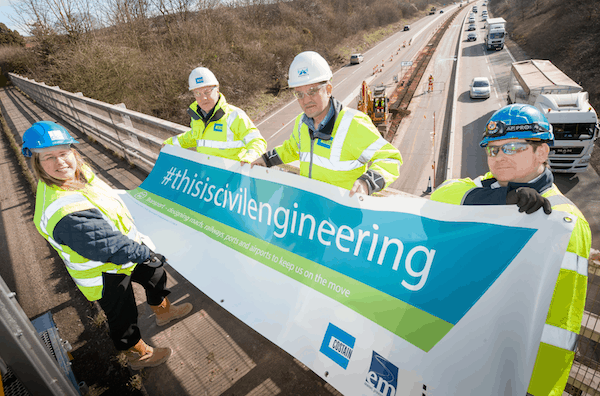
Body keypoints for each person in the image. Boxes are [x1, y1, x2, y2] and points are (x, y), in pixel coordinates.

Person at [431, 104, 591, 396]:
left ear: (541, 152)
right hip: (467, 359)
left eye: (513, 147)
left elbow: (560, 324)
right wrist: (502, 198)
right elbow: (437, 198)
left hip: (516, 376)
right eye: (493, 150)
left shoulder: (564, 221)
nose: (500, 157)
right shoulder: (486, 189)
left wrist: (539, 390)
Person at [24, 121, 193, 370]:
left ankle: (163, 311)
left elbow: (109, 199)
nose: (60, 162)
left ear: (73, 151)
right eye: (48, 157)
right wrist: (146, 253)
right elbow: (106, 245)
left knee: (155, 275)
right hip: (103, 272)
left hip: (127, 250)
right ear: (37, 163)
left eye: (63, 153)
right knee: (122, 315)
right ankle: (138, 354)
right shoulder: (61, 210)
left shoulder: (81, 172)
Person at [250, 51, 403, 197]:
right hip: (311, 211)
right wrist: (265, 159)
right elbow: (291, 148)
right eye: (299, 94)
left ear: (328, 89)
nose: (306, 100)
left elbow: (390, 159)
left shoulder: (353, 124)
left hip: (341, 218)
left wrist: (367, 183)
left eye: (312, 91)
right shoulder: (301, 123)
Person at [163, 67, 267, 163]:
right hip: (208, 176)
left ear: (217, 89)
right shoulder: (197, 118)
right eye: (198, 93)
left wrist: (250, 158)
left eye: (207, 92)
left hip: (232, 176)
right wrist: (170, 143)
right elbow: (192, 137)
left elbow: (256, 140)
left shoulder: (234, 115)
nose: (203, 98)